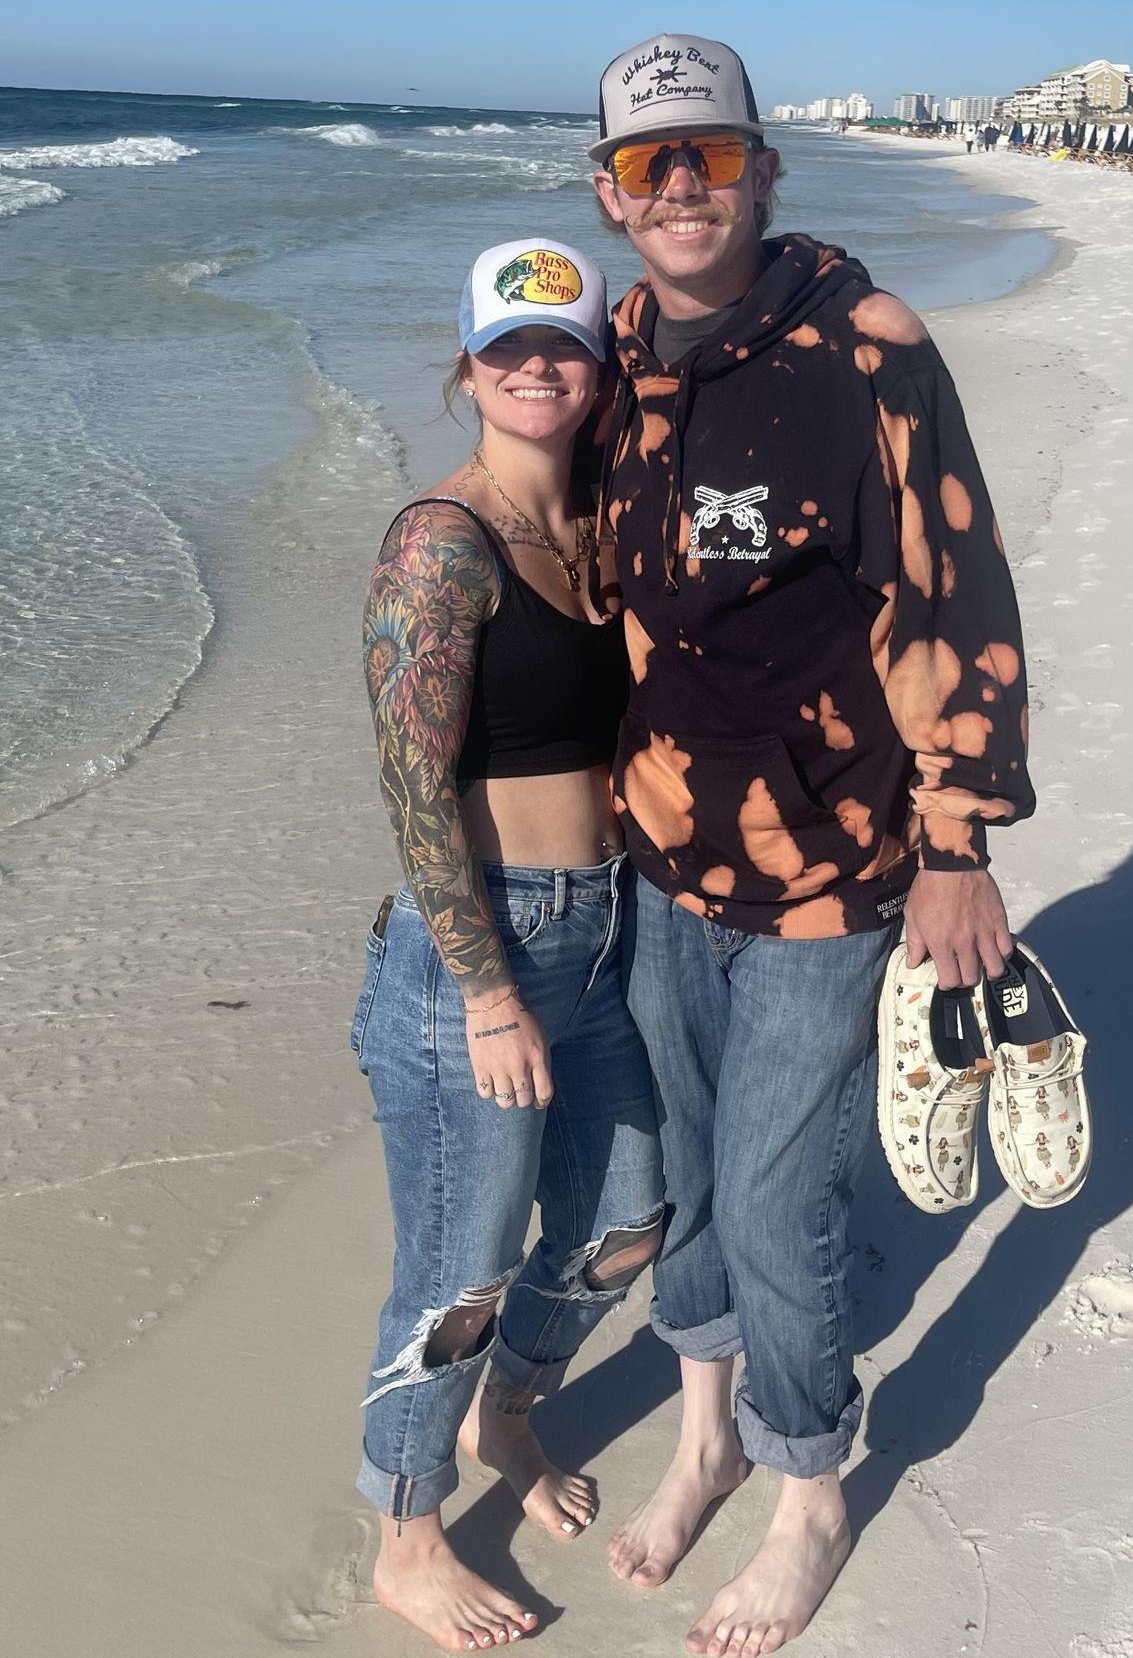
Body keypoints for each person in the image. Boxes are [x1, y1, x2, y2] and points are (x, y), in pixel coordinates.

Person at [586, 36, 1035, 1656]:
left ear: (764, 170)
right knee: (688, 1176)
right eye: (647, 163)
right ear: (609, 195)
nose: (681, 186)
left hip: (832, 867)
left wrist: (958, 840)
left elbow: (955, 589)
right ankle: (705, 1436)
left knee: (779, 1204)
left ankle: (808, 1488)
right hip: (660, 854)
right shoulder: (613, 352)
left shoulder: (868, 346)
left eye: (709, 155)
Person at [353, 238, 665, 1653]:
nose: (537, 367)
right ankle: (405, 1533)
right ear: (468, 366)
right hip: (479, 951)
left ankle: (506, 1415)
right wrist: (486, 991)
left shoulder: (595, 527)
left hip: (604, 928)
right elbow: (413, 785)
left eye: (563, 345)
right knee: (460, 1268)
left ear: (597, 368)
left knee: (627, 1221)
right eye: (508, 347)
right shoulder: (443, 541)